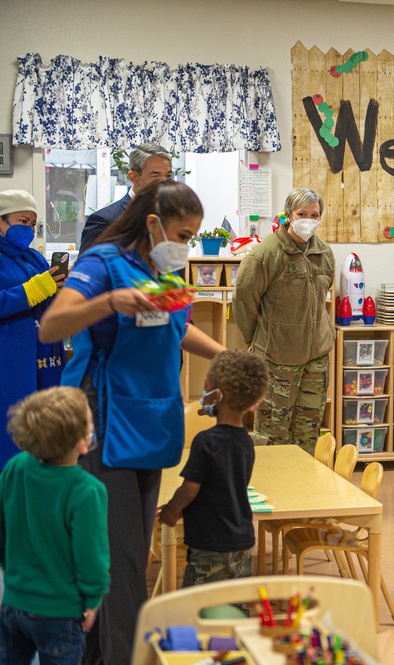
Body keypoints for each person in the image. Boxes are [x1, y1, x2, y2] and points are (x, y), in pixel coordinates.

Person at [38, 179, 224, 665]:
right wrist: (109, 303)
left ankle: (97, 657)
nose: (186, 246)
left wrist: (228, 358)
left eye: (192, 237)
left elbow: (181, 329)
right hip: (103, 419)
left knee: (132, 552)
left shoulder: (167, 274)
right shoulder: (102, 264)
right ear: (153, 224)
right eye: (182, 235)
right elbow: (51, 326)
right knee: (119, 561)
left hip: (152, 416)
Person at [0, 387, 110, 665]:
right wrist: (93, 600)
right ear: (80, 443)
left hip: (12, 603)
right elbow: (91, 557)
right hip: (60, 614)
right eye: (89, 422)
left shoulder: (15, 468)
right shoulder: (87, 490)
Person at [232, 188, 335, 454]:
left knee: (307, 433)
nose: (308, 220)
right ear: (289, 215)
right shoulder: (265, 254)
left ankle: (303, 492)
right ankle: (272, 490)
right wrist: (257, 341)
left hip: (317, 356)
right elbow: (244, 302)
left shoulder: (324, 252)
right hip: (278, 358)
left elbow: (323, 294)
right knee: (272, 436)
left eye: (314, 215)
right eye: (302, 214)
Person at [158, 350, 269, 587]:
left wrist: (171, 510)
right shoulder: (246, 440)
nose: (203, 393)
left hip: (210, 543)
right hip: (243, 540)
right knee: (234, 603)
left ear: (217, 395)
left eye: (206, 387)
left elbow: (189, 489)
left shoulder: (206, 441)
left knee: (201, 606)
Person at [0, 190, 66, 469]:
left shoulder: (34, 258)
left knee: (47, 435)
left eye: (32, 224)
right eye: (21, 221)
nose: (27, 229)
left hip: (46, 359)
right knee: (12, 438)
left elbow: (48, 298)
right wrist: (28, 292)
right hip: (10, 364)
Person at [79, 143, 173, 254]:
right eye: (155, 176)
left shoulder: (172, 217)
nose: (164, 182)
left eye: (168, 176)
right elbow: (87, 269)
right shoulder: (106, 221)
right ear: (134, 177)